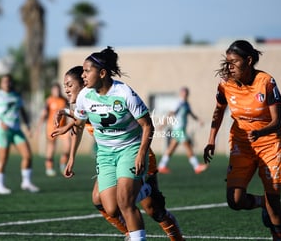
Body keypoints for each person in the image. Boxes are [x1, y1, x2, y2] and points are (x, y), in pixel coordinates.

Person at [53, 65, 184, 240]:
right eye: (65, 86)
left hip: (135, 154)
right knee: (102, 201)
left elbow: (89, 120)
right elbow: (80, 122)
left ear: (84, 83)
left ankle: (176, 237)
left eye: (70, 84)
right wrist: (71, 153)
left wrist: (69, 117)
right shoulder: (85, 102)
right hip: (111, 157)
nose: (66, 90)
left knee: (154, 209)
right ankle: (131, 233)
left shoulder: (104, 98)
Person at [61, 47, 155, 241]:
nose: (83, 75)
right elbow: (79, 124)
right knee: (111, 208)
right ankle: (144, 189)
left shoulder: (124, 93)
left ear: (102, 73)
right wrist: (71, 156)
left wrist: (140, 154)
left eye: (87, 71)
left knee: (125, 203)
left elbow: (148, 126)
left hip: (129, 148)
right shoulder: (84, 96)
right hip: (105, 154)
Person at [203, 40, 281, 241]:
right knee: (235, 200)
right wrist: (211, 139)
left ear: (248, 61)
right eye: (227, 62)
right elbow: (218, 111)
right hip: (242, 144)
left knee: (274, 202)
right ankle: (260, 203)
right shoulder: (225, 84)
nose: (229, 66)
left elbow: (278, 121)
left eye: (234, 62)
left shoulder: (266, 81)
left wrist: (261, 132)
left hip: (269, 144)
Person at [0, 74, 40, 195]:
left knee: (27, 155)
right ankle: (0, 186)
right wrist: (0, 122)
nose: (7, 83)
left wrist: (27, 126)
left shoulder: (17, 96)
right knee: (3, 158)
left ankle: (26, 182)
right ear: (1, 84)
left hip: (17, 130)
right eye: (4, 82)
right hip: (3, 131)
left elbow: (23, 112)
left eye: (9, 81)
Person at [158, 87, 208, 174]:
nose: (185, 95)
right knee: (188, 146)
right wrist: (163, 124)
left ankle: (161, 166)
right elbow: (171, 113)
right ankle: (196, 166)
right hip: (178, 129)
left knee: (171, 148)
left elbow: (191, 114)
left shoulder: (186, 104)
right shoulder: (178, 103)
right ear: (181, 94)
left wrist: (198, 120)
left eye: (186, 93)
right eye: (183, 93)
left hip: (181, 130)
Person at [37, 83, 71, 176]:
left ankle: (63, 164)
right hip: (51, 127)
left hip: (63, 127)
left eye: (58, 90)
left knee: (68, 145)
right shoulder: (49, 101)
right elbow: (44, 114)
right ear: (52, 91)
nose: (57, 92)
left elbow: (70, 112)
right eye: (55, 90)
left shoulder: (64, 100)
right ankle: (49, 167)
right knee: (51, 147)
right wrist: (39, 126)